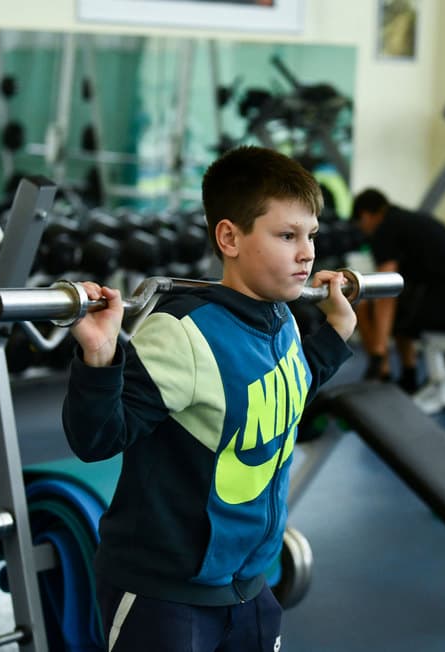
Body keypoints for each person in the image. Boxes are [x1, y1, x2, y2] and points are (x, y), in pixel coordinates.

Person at [62, 145, 357, 652]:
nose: (307, 253)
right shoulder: (183, 332)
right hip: (166, 595)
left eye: (310, 235)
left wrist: (336, 333)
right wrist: (100, 355)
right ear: (229, 238)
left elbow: (280, 398)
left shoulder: (280, 318)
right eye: (287, 236)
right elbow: (98, 438)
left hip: (249, 584)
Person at [351, 187, 445, 393]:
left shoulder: (385, 229)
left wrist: (378, 351)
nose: (363, 230)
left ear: (365, 216)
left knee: (364, 306)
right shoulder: (406, 221)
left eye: (360, 224)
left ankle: (380, 370)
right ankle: (408, 375)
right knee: (402, 307)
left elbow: (384, 290)